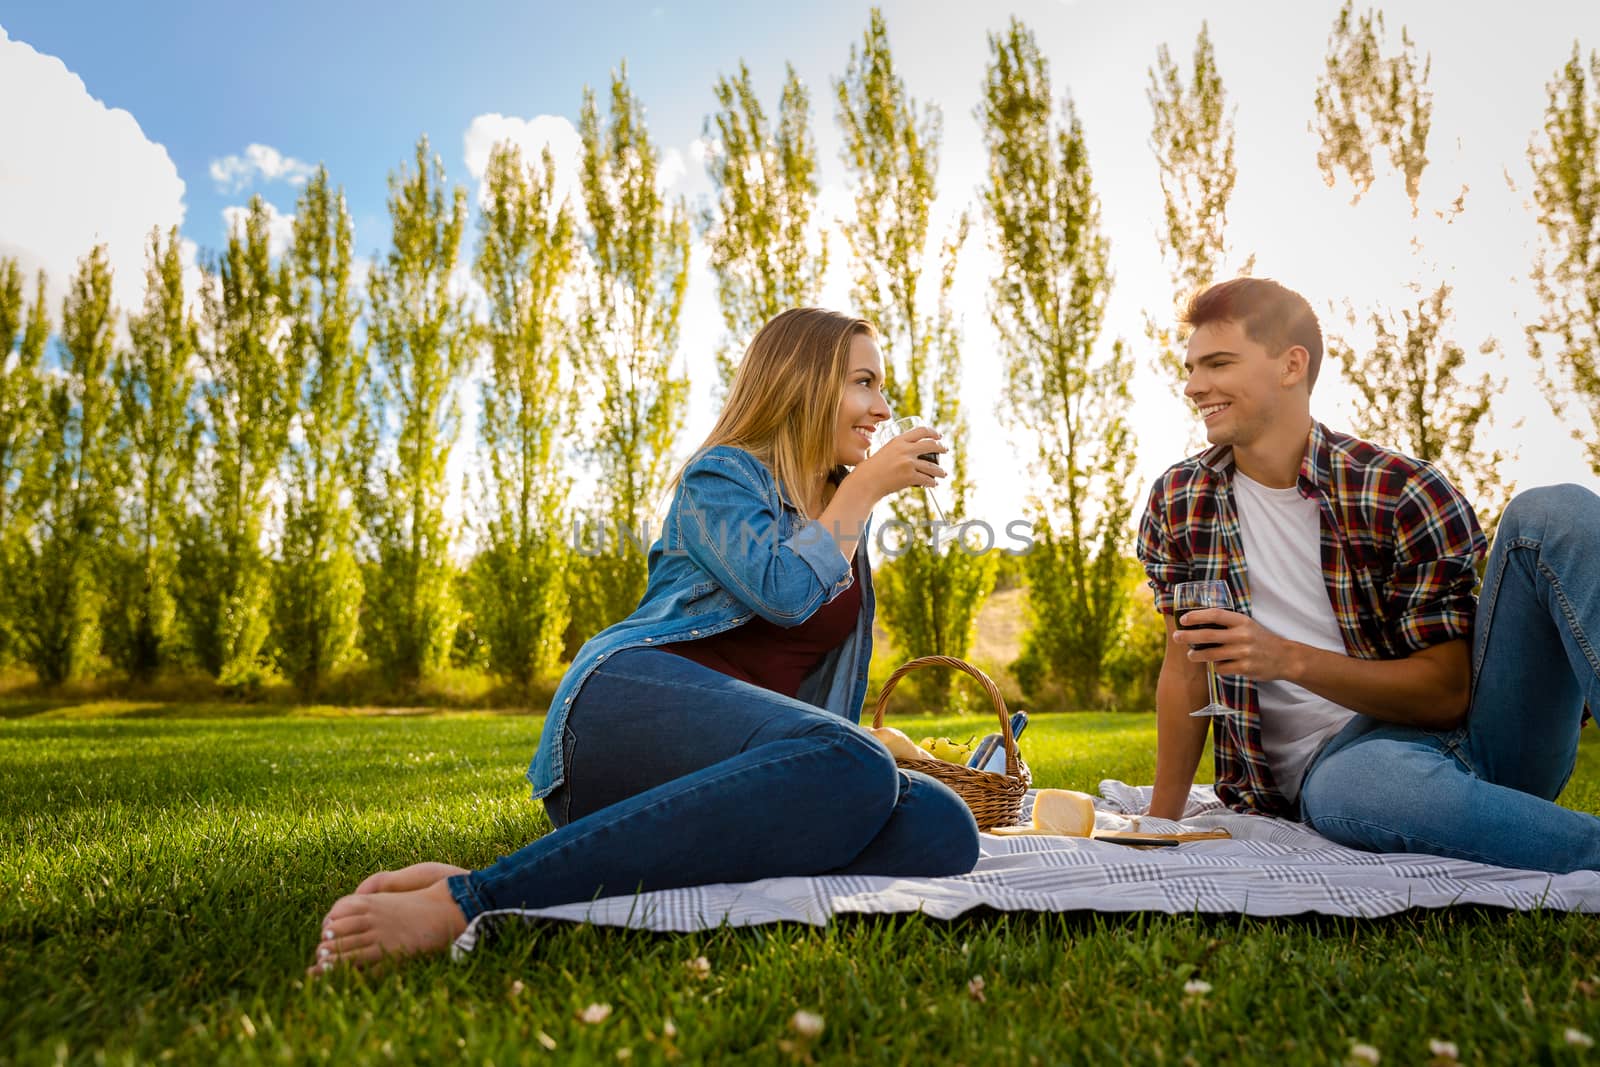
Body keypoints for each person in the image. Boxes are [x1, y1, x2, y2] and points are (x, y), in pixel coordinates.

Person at [309, 308, 980, 973]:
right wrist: (862, 493)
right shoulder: (721, 478)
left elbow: (817, 705)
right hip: (623, 714)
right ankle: (471, 900)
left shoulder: (842, 514)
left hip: (730, 766)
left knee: (940, 827)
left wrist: (833, 785)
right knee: (857, 762)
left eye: (881, 387)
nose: (882, 406)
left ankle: (554, 872)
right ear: (801, 381)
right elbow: (782, 591)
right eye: (864, 382)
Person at [1138, 276, 1600, 874]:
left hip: (1488, 739)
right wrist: (1159, 821)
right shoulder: (1181, 499)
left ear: (1291, 365)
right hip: (1342, 767)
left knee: (1554, 511)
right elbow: (1185, 669)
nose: (1194, 385)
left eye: (1218, 363)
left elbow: (1445, 695)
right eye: (1192, 366)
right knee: (1361, 785)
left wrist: (1284, 658)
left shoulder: (1399, 490)